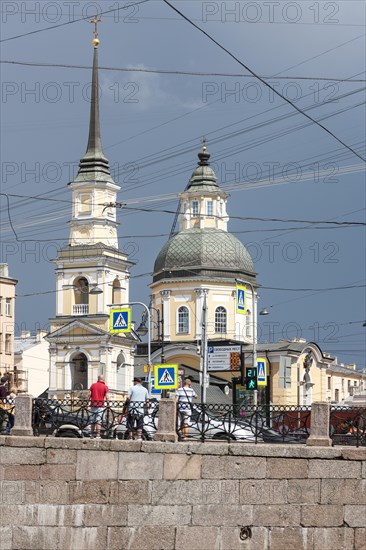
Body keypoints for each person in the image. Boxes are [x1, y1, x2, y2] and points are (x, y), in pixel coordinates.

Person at [89, 375, 109, 439]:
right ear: (103, 379)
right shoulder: (105, 387)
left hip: (93, 405)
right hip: (100, 406)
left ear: (98, 379)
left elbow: (89, 394)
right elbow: (107, 397)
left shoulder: (93, 385)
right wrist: (108, 404)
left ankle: (91, 435)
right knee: (98, 421)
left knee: (92, 421)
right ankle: (98, 435)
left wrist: (87, 402)